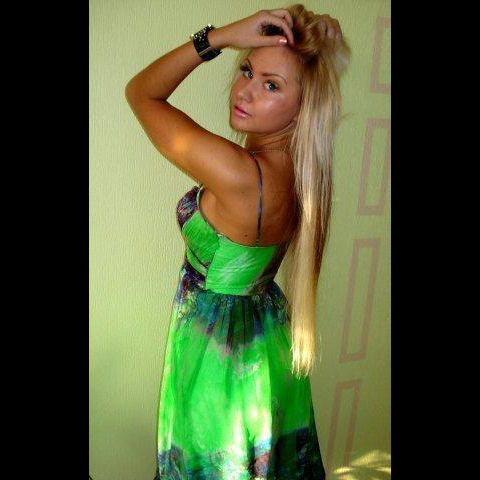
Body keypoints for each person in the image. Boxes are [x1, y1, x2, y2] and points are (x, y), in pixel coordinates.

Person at [126, 4, 350, 478]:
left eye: (272, 85)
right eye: (247, 70)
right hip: (263, 338)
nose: (245, 90)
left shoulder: (240, 175)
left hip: (218, 361)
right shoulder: (301, 171)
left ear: (303, 105)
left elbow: (142, 93)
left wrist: (220, 37)